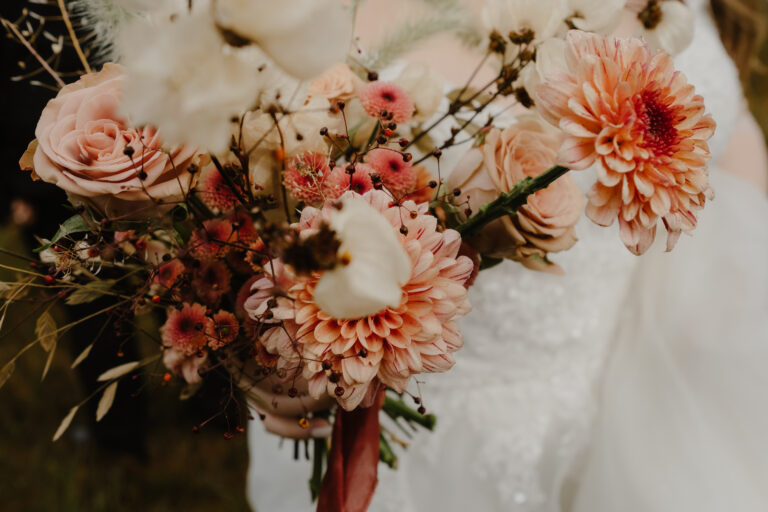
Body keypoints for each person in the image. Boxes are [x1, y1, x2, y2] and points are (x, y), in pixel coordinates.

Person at [246, 0, 768, 510]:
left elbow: (726, 119)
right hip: (431, 437)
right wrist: (267, 357)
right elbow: (248, 217)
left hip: (646, 401)